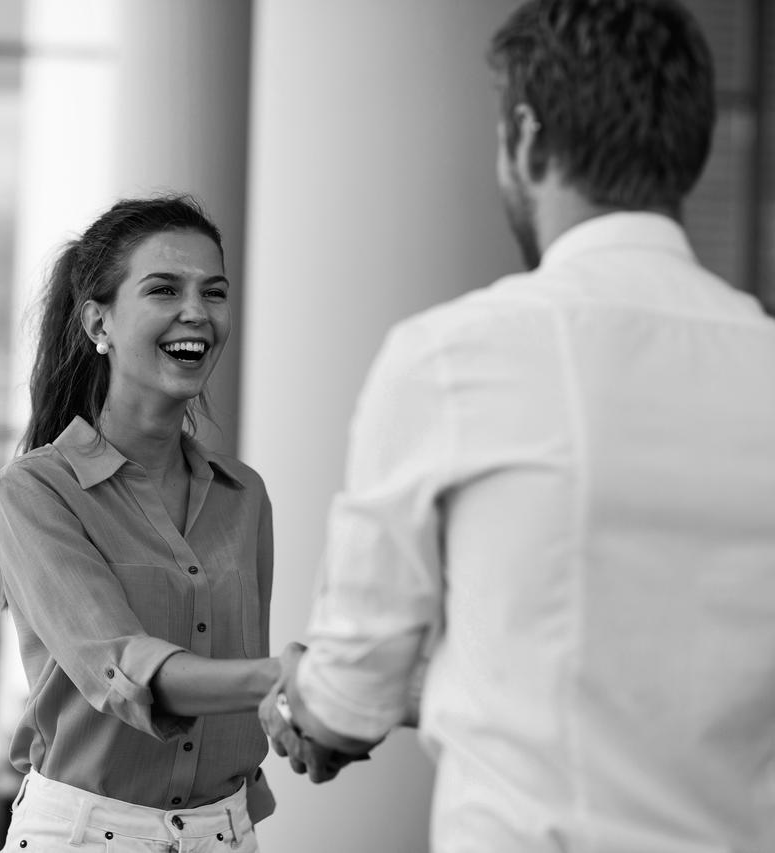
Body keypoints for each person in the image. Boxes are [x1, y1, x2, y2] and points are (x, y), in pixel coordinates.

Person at [259, 0, 775, 851]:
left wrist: (296, 695)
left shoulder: (452, 358)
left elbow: (347, 701)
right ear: (690, 150)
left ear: (528, 138)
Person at [0, 195, 289, 853]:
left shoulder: (246, 497)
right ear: (99, 322)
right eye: (164, 289)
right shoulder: (35, 491)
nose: (197, 312)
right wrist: (286, 676)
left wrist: (300, 706)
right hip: (85, 837)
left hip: (226, 832)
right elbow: (120, 664)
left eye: (215, 292)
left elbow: (238, 697)